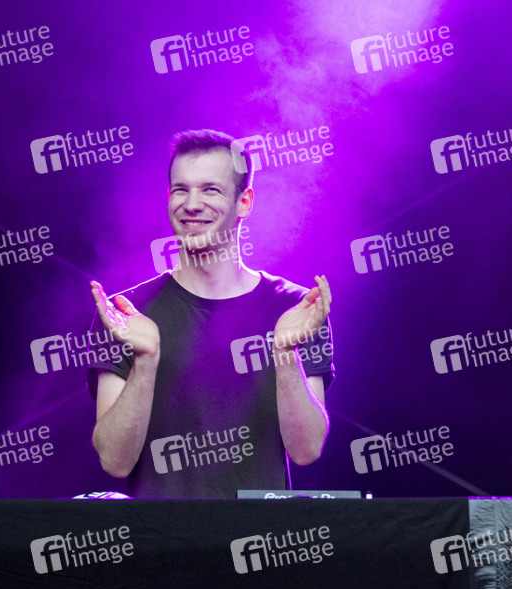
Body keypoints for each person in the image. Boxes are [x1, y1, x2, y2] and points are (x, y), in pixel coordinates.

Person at [86, 129, 334, 498]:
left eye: (210, 190)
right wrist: (146, 361)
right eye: (180, 190)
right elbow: (114, 461)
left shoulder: (295, 309)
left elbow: (306, 450)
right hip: (161, 532)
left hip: (262, 531)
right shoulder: (126, 314)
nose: (191, 204)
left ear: (244, 202)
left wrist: (285, 354)